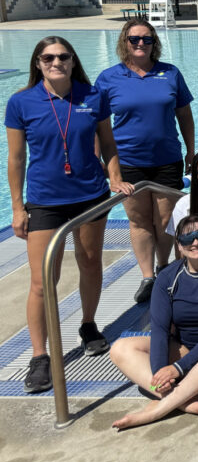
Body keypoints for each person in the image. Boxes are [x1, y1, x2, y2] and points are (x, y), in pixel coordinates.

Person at [5, 36, 133, 393]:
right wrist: (17, 207)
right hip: (45, 201)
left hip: (89, 195)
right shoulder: (21, 102)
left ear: (73, 61)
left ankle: (89, 325)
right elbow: (16, 159)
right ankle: (39, 355)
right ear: (38, 63)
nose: (55, 62)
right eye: (48, 57)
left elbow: (108, 143)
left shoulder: (92, 97)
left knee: (91, 263)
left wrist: (116, 178)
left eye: (63, 56)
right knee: (42, 279)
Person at [109, 215, 198, 430]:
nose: (195, 243)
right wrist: (159, 373)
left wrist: (178, 369)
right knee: (120, 347)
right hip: (183, 350)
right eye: (187, 238)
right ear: (179, 245)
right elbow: (159, 329)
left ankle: (158, 409)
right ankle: (183, 400)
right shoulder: (167, 277)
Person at [95, 19, 195, 304]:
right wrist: (99, 161)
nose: (140, 43)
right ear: (124, 42)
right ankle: (148, 276)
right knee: (138, 220)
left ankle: (164, 268)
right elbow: (98, 124)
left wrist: (190, 151)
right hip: (128, 161)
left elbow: (184, 116)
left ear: (155, 42)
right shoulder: (108, 78)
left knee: (165, 221)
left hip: (167, 159)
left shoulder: (170, 73)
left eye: (146, 39)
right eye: (134, 39)